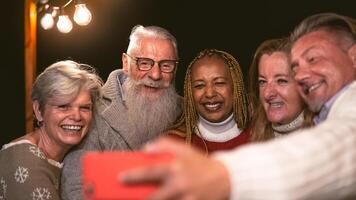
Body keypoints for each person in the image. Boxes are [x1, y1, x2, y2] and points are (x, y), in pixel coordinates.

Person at [121, 12, 356, 199]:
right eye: (263, 81)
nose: (303, 74)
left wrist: (222, 176)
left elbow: (343, 143)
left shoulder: (264, 131)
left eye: (313, 59)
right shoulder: (268, 130)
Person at [61, 25, 182, 199]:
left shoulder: (185, 110)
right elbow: (76, 187)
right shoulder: (92, 111)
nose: (156, 75)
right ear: (126, 63)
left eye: (166, 65)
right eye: (144, 63)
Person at [0, 60, 102, 200]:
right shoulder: (26, 161)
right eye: (63, 106)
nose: (77, 116)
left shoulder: (59, 157)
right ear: (38, 110)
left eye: (84, 108)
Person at [166, 49, 250, 154]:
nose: (209, 94)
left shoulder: (262, 135)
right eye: (199, 85)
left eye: (219, 83)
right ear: (190, 92)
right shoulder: (174, 143)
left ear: (235, 86)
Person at [248, 38, 313, 142]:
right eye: (262, 82)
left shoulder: (327, 137)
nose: (267, 93)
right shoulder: (256, 139)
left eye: (281, 81)